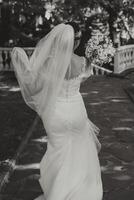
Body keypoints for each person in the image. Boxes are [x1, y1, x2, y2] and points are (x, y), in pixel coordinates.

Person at [11, 23, 103, 200]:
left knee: (57, 151)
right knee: (81, 149)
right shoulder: (82, 62)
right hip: (76, 111)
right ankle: (83, 193)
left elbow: (35, 86)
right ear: (74, 42)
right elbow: (83, 78)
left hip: (55, 114)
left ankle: (58, 193)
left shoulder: (47, 62)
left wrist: (24, 65)